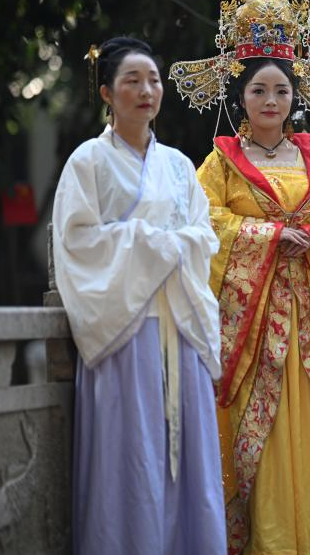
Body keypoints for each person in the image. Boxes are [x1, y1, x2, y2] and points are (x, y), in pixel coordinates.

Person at [170, 0, 310, 554]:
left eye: (281, 90)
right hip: (251, 321)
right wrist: (267, 235)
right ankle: (262, 539)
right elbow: (201, 222)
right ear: (240, 96)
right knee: (251, 425)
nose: (271, 100)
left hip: (308, 313)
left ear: (295, 96)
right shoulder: (219, 163)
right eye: (259, 90)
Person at [53, 36, 226, 555]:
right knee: (130, 454)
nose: (147, 90)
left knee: (186, 458)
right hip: (124, 327)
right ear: (107, 92)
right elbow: (77, 241)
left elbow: (204, 236)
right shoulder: (88, 161)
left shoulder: (178, 165)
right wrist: (153, 242)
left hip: (180, 324)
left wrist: (171, 244)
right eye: (132, 80)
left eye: (153, 80)